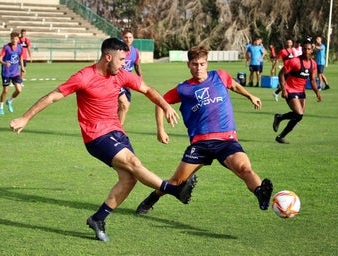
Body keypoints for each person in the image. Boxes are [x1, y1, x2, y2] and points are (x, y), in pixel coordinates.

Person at [9, 38, 196, 242]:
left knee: (129, 178)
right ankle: (173, 189)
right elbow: (53, 96)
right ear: (108, 57)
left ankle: (98, 218)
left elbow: (148, 90)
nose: (125, 63)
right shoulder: (84, 77)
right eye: (122, 59)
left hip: (117, 132)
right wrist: (25, 117)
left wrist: (166, 106)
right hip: (96, 136)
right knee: (134, 164)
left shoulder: (121, 75)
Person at [135, 46, 273, 216]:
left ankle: (261, 193)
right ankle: (152, 198)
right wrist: (161, 130)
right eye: (194, 64)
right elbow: (160, 102)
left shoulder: (220, 76)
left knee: (244, 168)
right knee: (177, 182)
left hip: (226, 139)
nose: (198, 68)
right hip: (200, 143)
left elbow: (234, 86)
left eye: (202, 64)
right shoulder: (183, 89)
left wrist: (250, 95)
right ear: (188, 65)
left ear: (207, 63)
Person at [273, 39, 322, 144]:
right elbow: (281, 74)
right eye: (304, 49)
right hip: (290, 90)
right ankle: (279, 117)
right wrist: (284, 89)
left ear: (311, 51)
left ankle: (281, 135)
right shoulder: (294, 61)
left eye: (308, 49)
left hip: (301, 92)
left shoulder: (313, 64)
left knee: (298, 117)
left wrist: (317, 92)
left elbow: (312, 80)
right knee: (299, 114)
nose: (305, 51)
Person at [118, 29, 142, 126]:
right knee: (124, 105)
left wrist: (140, 78)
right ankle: (118, 130)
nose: (128, 40)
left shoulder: (135, 51)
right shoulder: (117, 50)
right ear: (122, 38)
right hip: (116, 81)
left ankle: (114, 128)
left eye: (130, 37)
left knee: (124, 107)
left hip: (126, 83)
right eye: (126, 37)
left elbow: (137, 65)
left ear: (133, 39)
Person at [0, 31, 25, 115]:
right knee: (5, 90)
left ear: (18, 39)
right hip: (6, 72)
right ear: (10, 39)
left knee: (19, 90)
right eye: (12, 39)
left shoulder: (20, 47)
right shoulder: (6, 47)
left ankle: (9, 101)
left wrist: (22, 67)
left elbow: (21, 57)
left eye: (16, 39)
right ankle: (1, 106)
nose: (14, 40)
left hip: (15, 72)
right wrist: (5, 63)